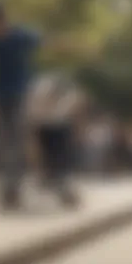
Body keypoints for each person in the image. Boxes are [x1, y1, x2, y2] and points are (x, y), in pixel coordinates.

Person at [0, 1, 85, 209]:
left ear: (2, 20)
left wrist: (67, 44)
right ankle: (8, 186)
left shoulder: (18, 36)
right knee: (3, 140)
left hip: (22, 96)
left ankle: (21, 184)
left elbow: (43, 41)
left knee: (17, 138)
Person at [27, 74, 82, 207]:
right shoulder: (43, 89)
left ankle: (58, 184)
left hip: (54, 125)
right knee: (55, 159)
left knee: (57, 159)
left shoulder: (65, 93)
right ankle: (56, 183)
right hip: (49, 126)